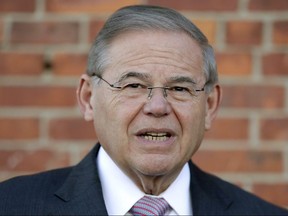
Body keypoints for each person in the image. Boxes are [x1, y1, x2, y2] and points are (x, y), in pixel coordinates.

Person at [0, 5, 287, 216]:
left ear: (209, 105)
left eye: (179, 89)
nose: (157, 107)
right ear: (89, 98)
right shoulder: (11, 206)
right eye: (134, 85)